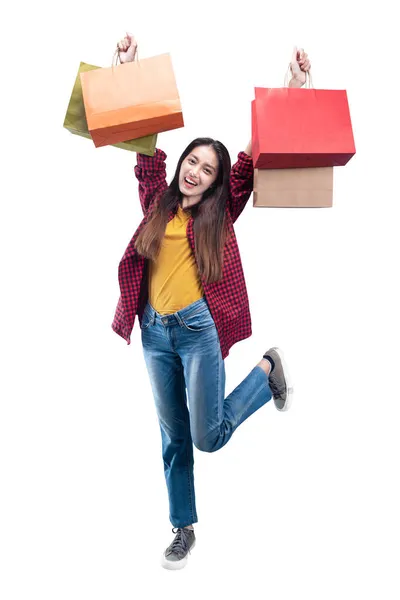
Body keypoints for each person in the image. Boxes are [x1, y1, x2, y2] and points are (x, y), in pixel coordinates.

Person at [112, 33, 311, 570]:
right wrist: (126, 69)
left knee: (208, 438)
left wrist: (291, 86)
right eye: (192, 161)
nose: (195, 171)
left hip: (199, 331)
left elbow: (252, 157)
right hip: (154, 332)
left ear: (218, 182)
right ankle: (183, 528)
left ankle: (266, 371)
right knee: (173, 437)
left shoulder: (220, 215)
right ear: (181, 163)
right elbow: (141, 144)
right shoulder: (156, 197)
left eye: (208, 168)